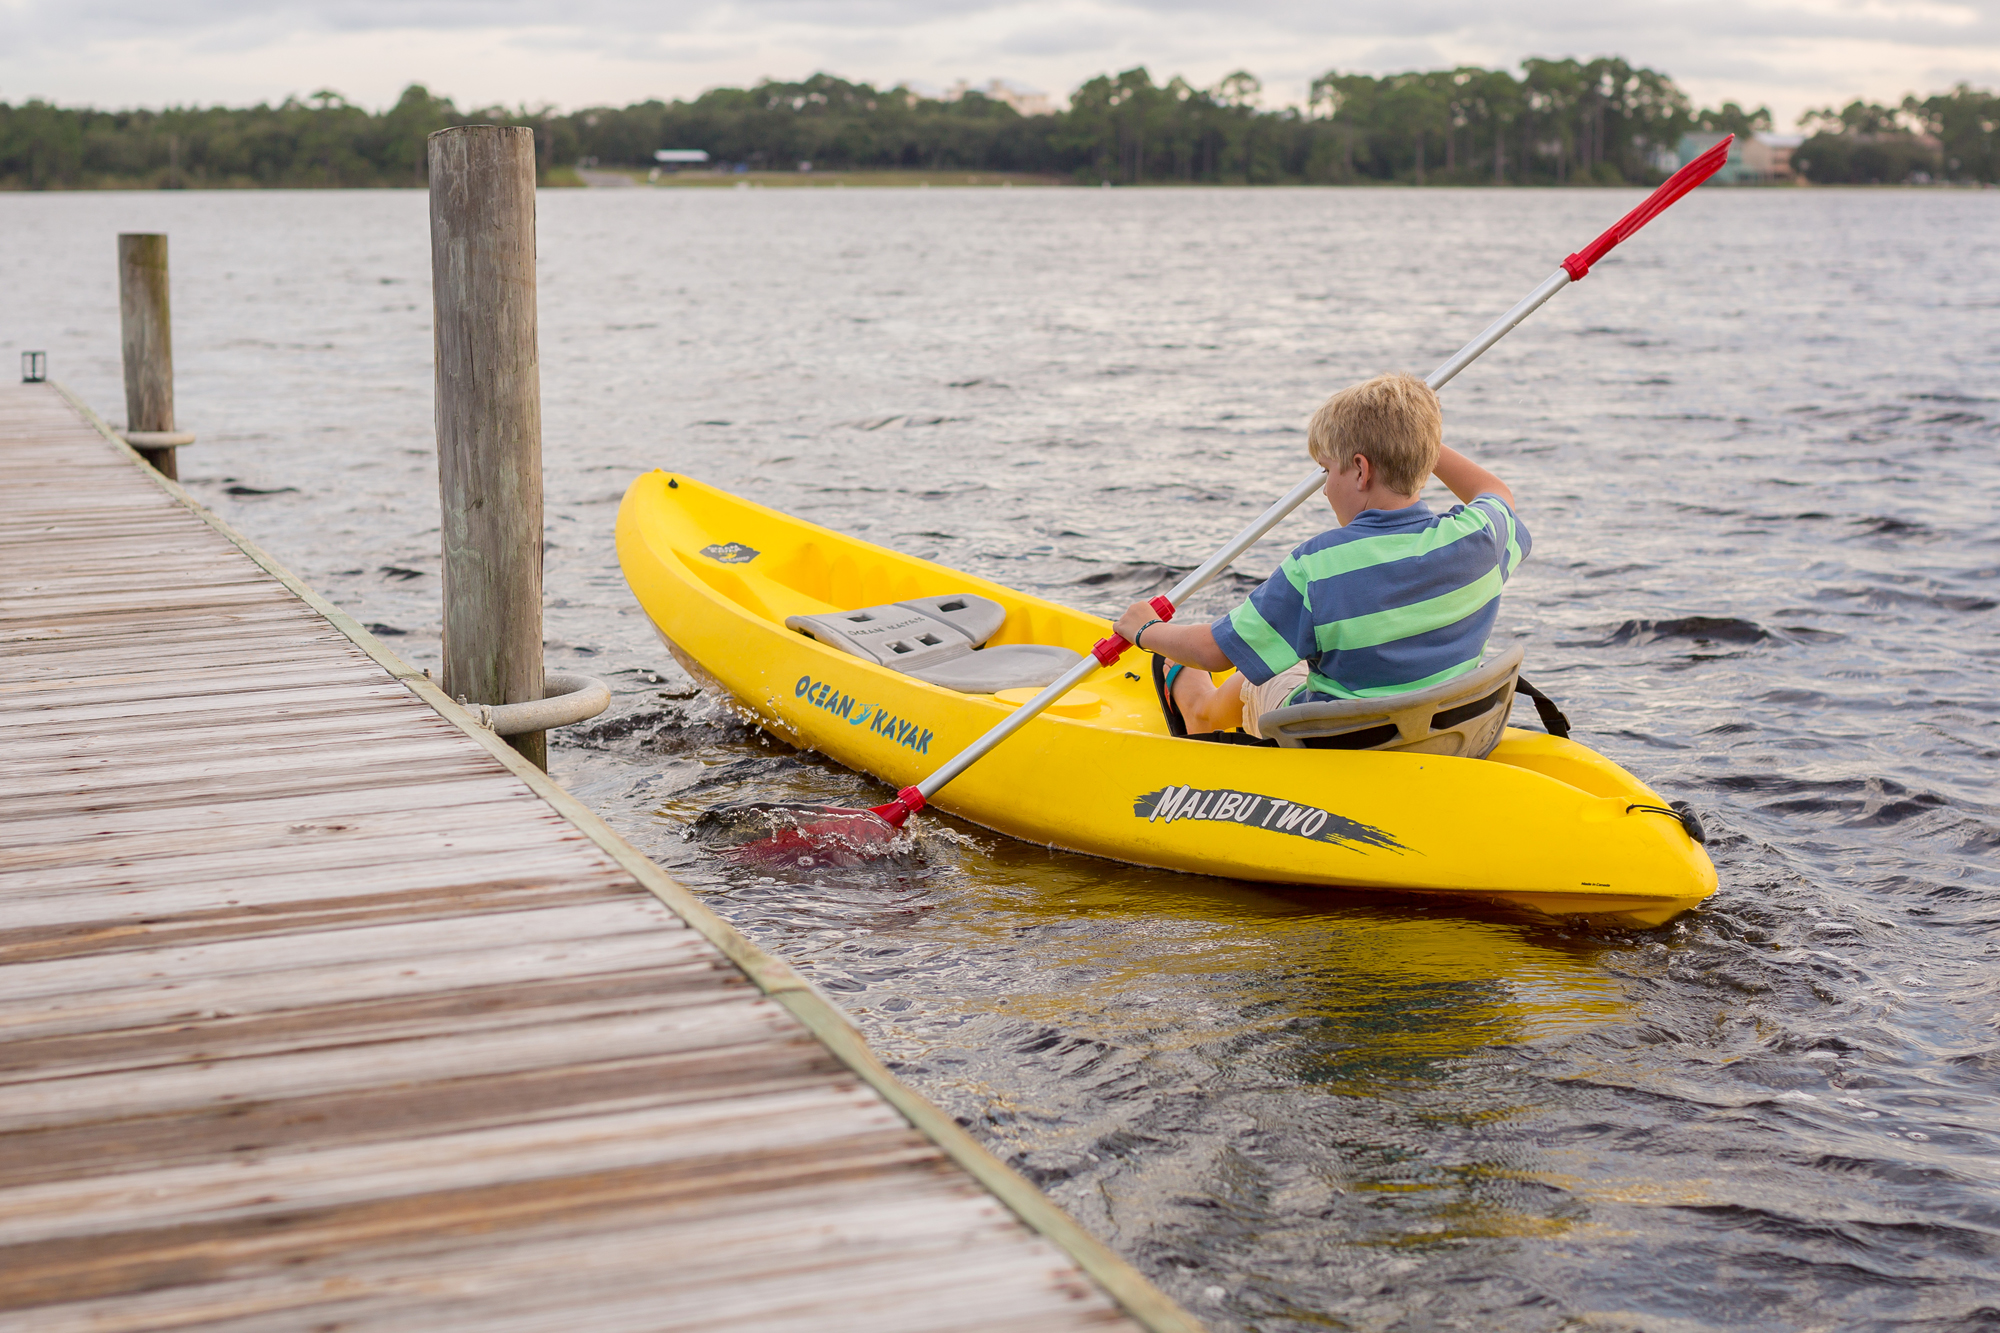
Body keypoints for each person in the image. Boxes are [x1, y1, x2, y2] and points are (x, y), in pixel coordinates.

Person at [1112, 372, 1529, 740]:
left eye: (1327, 471)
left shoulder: (1317, 568)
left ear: (1361, 470)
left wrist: (1145, 629)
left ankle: (1200, 712)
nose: (1326, 488)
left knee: (1257, 675)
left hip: (1342, 744)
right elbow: (1497, 492)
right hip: (1442, 731)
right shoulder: (1480, 538)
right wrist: (1416, 440)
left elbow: (1214, 651)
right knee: (1280, 648)